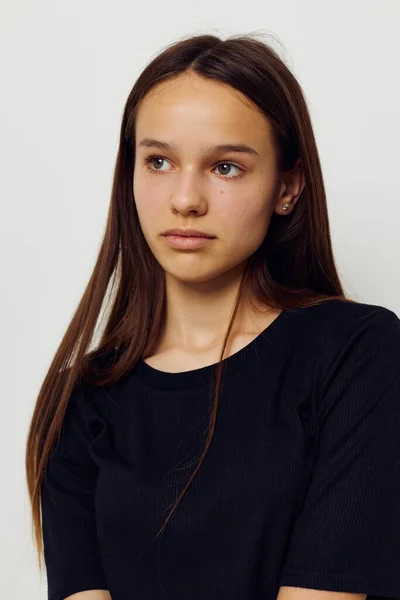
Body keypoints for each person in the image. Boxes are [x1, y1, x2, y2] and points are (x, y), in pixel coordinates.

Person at [25, 32, 400, 600]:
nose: (185, 198)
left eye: (225, 167)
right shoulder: (79, 402)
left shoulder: (359, 354)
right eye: (158, 161)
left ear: (288, 186)